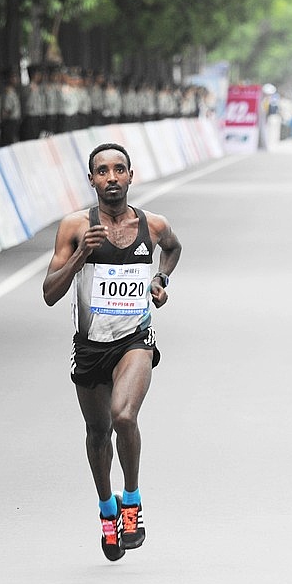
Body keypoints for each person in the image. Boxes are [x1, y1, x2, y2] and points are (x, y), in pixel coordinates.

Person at [42, 142, 182, 561]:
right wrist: (81, 254)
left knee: (124, 416)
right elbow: (49, 293)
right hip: (89, 346)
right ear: (92, 180)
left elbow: (173, 248)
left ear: (131, 176)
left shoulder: (152, 225)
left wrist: (160, 281)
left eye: (119, 169)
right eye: (102, 171)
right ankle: (108, 508)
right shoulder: (74, 227)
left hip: (134, 340)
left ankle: (132, 502)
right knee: (98, 432)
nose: (112, 178)